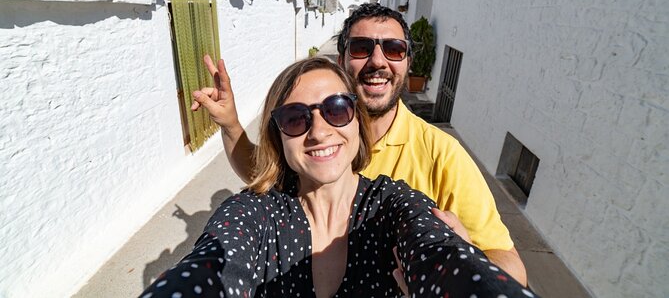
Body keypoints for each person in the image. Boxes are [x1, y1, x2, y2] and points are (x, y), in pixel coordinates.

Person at [143, 58, 535, 297]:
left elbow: (444, 260)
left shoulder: (394, 205)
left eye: (336, 109)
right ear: (278, 137)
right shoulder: (256, 213)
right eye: (295, 118)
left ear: (358, 121)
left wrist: (462, 266)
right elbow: (219, 258)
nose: (318, 131)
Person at [192, 4, 527, 285]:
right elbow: (267, 177)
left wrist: (463, 268)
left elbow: (511, 266)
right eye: (362, 48)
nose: (378, 61)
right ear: (342, 60)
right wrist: (232, 126)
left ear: (408, 63)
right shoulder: (310, 142)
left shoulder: (441, 154)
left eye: (394, 49)